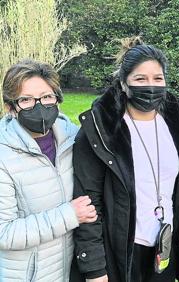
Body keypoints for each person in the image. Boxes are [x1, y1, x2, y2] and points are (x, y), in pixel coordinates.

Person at [72, 36, 179, 282]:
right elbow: (88, 201)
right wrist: (94, 268)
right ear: (124, 84)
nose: (151, 87)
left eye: (158, 79)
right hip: (122, 252)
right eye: (140, 79)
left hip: (164, 247)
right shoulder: (101, 131)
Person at [0, 59, 97, 281]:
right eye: (26, 100)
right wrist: (70, 215)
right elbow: (4, 233)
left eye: (46, 97)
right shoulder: (3, 156)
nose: (39, 106)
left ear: (57, 99)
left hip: (68, 269)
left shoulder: (73, 139)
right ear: (10, 107)